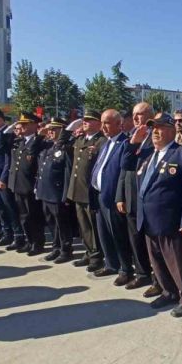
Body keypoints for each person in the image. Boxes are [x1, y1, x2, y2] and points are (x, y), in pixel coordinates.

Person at [120, 112, 182, 317]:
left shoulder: (180, 154)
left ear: (172, 130)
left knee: (180, 263)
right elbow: (126, 164)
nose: (155, 132)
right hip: (148, 219)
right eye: (153, 128)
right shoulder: (147, 154)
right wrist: (133, 142)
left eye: (160, 128)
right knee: (157, 261)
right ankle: (169, 291)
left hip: (172, 221)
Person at [92, 108, 140, 286]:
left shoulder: (124, 143)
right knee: (104, 234)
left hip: (113, 197)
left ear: (119, 124)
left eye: (107, 123)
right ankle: (111, 264)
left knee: (118, 236)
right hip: (100, 195)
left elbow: (123, 172)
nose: (103, 127)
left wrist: (120, 196)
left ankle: (125, 270)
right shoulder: (106, 143)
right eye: (102, 123)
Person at [116, 102, 159, 297]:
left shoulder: (156, 137)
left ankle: (159, 280)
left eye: (140, 114)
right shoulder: (132, 138)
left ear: (150, 116)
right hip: (131, 197)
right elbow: (124, 169)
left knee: (153, 244)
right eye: (133, 114)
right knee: (135, 239)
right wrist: (120, 196)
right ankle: (142, 273)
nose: (135, 118)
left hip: (148, 200)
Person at [63, 110, 107, 272]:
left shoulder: (101, 141)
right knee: (83, 225)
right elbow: (62, 144)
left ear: (98, 123)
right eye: (84, 120)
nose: (85, 122)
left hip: (90, 191)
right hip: (77, 189)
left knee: (92, 227)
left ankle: (96, 256)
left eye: (89, 120)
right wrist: (70, 128)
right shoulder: (80, 139)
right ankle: (88, 252)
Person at [36, 118, 74, 263]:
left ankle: (66, 250)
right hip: (45, 192)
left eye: (54, 129)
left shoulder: (65, 148)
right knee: (51, 222)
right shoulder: (48, 147)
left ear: (62, 131)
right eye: (49, 129)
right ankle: (56, 247)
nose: (50, 132)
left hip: (57, 193)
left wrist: (66, 195)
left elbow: (67, 172)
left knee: (62, 224)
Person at [0, 107, 24, 249]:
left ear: (0, 118)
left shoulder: (7, 134)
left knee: (9, 207)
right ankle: (6, 233)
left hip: (2, 179)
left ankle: (18, 235)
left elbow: (8, 158)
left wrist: (3, 177)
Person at [8, 112, 47, 255]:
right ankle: (29, 241)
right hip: (18, 184)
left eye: (25, 124)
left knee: (34, 217)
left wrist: (39, 136)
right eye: (21, 124)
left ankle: (37, 243)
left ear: (34, 125)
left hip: (30, 185)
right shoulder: (20, 141)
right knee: (24, 217)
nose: (22, 126)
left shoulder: (39, 142)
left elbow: (33, 155)